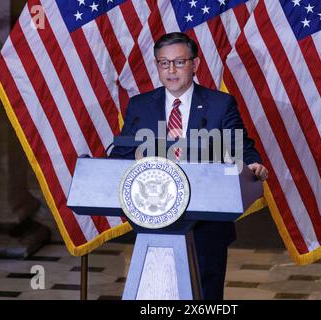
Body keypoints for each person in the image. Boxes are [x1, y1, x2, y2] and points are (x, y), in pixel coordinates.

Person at [110, 32, 268, 299]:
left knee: (204, 294)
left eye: (179, 62)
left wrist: (252, 164)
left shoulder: (219, 104)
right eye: (164, 63)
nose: (171, 70)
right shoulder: (140, 105)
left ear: (194, 64)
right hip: (154, 218)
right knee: (157, 292)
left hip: (207, 223)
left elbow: (239, 146)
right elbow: (122, 155)